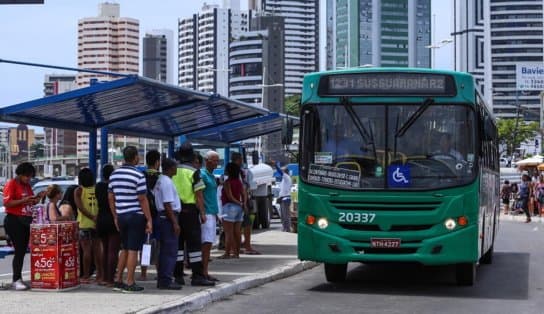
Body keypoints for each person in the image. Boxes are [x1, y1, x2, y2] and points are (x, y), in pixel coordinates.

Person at [108, 146, 153, 293]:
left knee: (125, 249)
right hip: (135, 216)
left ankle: (119, 279)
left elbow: (111, 196)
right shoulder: (138, 175)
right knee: (133, 249)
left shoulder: (114, 175)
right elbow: (142, 198)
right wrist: (149, 219)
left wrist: (115, 215)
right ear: (135, 158)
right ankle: (130, 281)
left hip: (121, 216)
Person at [172, 142, 215, 286]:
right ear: (191, 156)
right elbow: (199, 195)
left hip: (175, 212)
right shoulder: (194, 172)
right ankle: (197, 276)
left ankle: (178, 276)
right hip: (190, 211)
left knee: (178, 246)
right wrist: (202, 213)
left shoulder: (173, 170)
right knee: (194, 245)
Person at [3, 162, 42, 290]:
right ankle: (16, 279)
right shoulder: (12, 184)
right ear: (20, 174)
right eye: (26, 176)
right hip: (14, 220)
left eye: (30, 176)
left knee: (23, 250)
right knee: (19, 250)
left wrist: (38, 198)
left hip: (26, 219)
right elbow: (7, 203)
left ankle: (18, 278)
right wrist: (23, 200)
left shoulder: (27, 186)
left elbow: (31, 202)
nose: (28, 179)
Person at [153, 158, 182, 290]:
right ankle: (166, 280)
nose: (177, 169)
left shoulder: (160, 180)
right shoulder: (167, 182)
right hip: (168, 218)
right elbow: (167, 204)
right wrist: (175, 223)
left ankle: (163, 279)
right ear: (170, 168)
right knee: (170, 251)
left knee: (164, 250)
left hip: (163, 217)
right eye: (175, 167)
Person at [74, 167, 103, 284]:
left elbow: (80, 207)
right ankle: (100, 274)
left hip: (83, 223)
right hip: (96, 223)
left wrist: (90, 217)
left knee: (86, 250)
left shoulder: (79, 191)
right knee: (97, 250)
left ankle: (86, 275)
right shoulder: (97, 189)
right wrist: (96, 218)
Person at [96, 164, 120, 287]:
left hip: (101, 219)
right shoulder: (114, 186)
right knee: (113, 251)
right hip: (112, 218)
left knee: (104, 249)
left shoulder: (98, 186)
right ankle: (110, 279)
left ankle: (104, 277)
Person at [139, 150, 162, 281]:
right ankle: (159, 272)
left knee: (145, 244)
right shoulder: (162, 177)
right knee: (158, 243)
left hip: (144, 213)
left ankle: (143, 273)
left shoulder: (141, 175)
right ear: (157, 162)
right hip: (157, 214)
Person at [231, 152, 260, 255]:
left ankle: (245, 246)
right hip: (238, 203)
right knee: (237, 227)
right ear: (238, 160)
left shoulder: (242, 173)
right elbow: (246, 188)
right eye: (240, 160)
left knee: (245, 225)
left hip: (241, 202)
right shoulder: (235, 173)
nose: (241, 162)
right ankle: (236, 248)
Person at [201, 150, 220, 281]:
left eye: (217, 160)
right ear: (207, 160)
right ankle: (203, 272)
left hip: (212, 213)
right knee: (205, 244)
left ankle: (205, 271)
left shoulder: (212, 176)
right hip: (206, 214)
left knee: (209, 244)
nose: (216, 163)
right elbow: (199, 195)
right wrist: (202, 212)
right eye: (214, 160)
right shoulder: (202, 175)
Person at [220, 162, 245, 259]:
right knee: (237, 232)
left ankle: (227, 253)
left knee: (228, 232)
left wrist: (238, 203)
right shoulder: (239, 182)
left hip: (229, 207)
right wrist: (243, 204)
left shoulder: (227, 182)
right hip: (239, 208)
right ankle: (236, 253)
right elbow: (244, 194)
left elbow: (229, 196)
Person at [276, 164, 293, 232]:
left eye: (283, 171)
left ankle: (287, 228)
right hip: (282, 199)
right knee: (283, 215)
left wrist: (276, 166)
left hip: (285, 199)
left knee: (285, 215)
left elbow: (280, 172)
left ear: (285, 172)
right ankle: (285, 227)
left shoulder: (286, 177)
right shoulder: (284, 179)